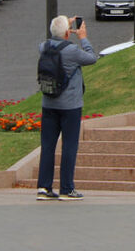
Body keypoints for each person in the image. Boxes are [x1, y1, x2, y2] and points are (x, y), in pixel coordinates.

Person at [37, 15, 98, 201]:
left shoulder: (44, 46)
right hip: (70, 106)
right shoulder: (72, 50)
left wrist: (63, 25)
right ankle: (66, 188)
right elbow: (91, 58)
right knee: (69, 146)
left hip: (48, 103)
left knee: (47, 146)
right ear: (67, 33)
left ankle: (44, 188)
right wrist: (83, 37)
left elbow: (55, 36)